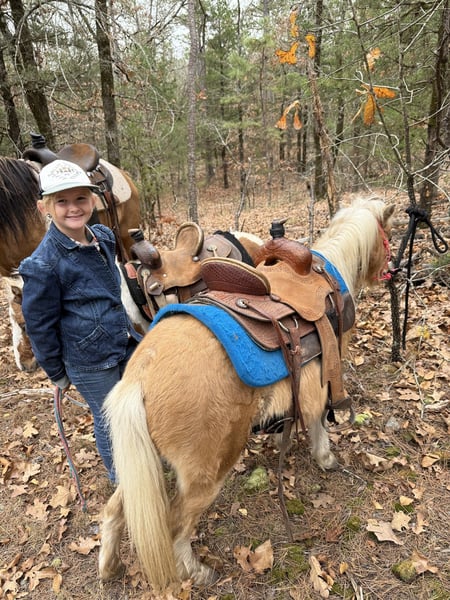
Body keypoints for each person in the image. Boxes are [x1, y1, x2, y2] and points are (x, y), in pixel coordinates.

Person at [19, 159, 142, 482]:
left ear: (93, 200)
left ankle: (146, 459)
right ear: (44, 207)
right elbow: (39, 326)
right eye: (62, 201)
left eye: (80, 199)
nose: (73, 208)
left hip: (123, 340)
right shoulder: (43, 264)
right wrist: (56, 372)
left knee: (137, 404)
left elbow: (108, 290)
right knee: (109, 418)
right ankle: (122, 480)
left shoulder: (103, 237)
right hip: (89, 360)